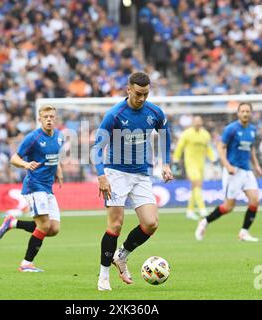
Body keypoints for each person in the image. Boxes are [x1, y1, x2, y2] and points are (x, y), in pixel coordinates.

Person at [92, 72, 173, 291]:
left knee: (151, 223)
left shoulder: (155, 112)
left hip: (141, 173)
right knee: (115, 225)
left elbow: (165, 135)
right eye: (138, 94)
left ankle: (122, 256)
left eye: (146, 94)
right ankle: (103, 276)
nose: (142, 98)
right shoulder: (115, 115)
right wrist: (101, 176)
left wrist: (165, 163)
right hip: (116, 173)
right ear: (128, 90)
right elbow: (96, 148)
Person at [0, 105, 64, 272]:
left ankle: (13, 222)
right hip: (34, 186)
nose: (49, 119)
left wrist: (59, 171)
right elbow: (14, 158)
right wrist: (26, 164)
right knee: (44, 226)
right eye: (45, 116)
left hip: (48, 188)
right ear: (39, 119)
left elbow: (54, 157)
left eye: (51, 116)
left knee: (53, 229)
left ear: (55, 119)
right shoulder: (33, 138)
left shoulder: (59, 137)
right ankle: (26, 264)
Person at [195, 102, 262, 242]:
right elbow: (220, 147)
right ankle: (205, 221)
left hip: (246, 171)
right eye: (242, 111)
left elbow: (251, 149)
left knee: (255, 200)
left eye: (247, 111)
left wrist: (256, 165)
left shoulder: (252, 130)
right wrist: (227, 165)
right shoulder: (231, 129)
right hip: (233, 172)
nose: (245, 114)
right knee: (228, 207)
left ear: (251, 113)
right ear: (238, 113)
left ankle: (244, 232)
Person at [173, 116, 216, 220]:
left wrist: (213, 158)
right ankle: (202, 209)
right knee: (197, 184)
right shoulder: (187, 134)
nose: (197, 123)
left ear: (201, 123)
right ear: (193, 123)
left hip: (201, 164)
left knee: (195, 187)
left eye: (199, 122)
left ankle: (190, 211)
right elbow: (179, 147)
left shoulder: (205, 134)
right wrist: (175, 160)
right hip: (191, 163)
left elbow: (208, 148)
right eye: (196, 122)